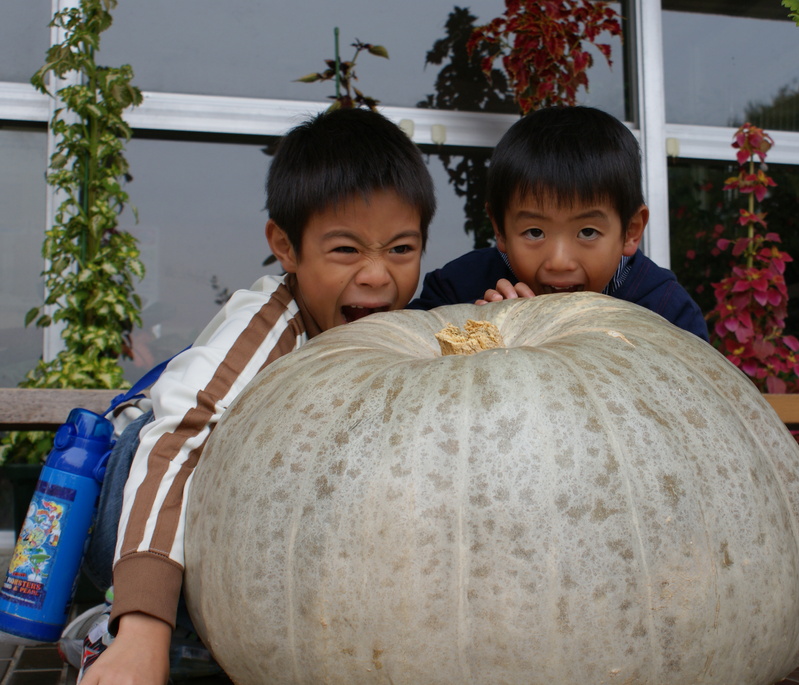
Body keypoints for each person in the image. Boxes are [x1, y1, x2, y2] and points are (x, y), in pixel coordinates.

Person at [73, 106, 435, 685]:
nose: (377, 275)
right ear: (286, 248)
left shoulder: (393, 335)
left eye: (400, 249)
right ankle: (129, 631)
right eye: (345, 250)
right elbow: (176, 447)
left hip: (249, 531)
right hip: (132, 510)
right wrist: (144, 626)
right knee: (163, 444)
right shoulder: (268, 329)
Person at [408, 105, 708, 341]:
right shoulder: (459, 289)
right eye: (535, 232)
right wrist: (473, 335)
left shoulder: (665, 312)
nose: (559, 262)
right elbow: (407, 354)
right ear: (499, 228)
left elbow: (695, 399)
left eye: (587, 232)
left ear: (630, 231)